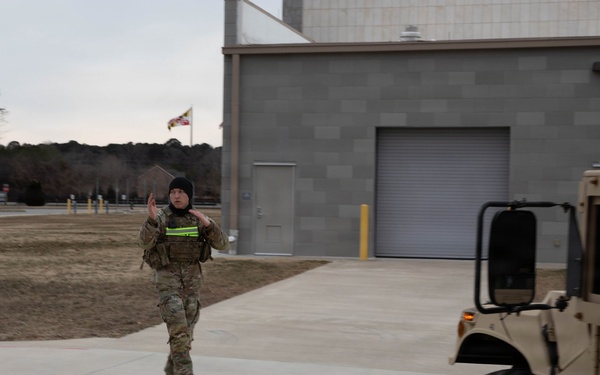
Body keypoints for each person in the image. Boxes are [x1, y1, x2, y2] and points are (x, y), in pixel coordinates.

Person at [137, 177, 229, 375]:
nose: (176, 196)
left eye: (181, 192)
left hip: (191, 287)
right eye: (173, 192)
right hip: (168, 286)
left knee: (185, 336)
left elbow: (223, 244)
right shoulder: (160, 217)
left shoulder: (199, 219)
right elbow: (143, 244)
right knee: (179, 335)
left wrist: (209, 226)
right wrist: (151, 220)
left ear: (189, 195)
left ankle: (171, 370)